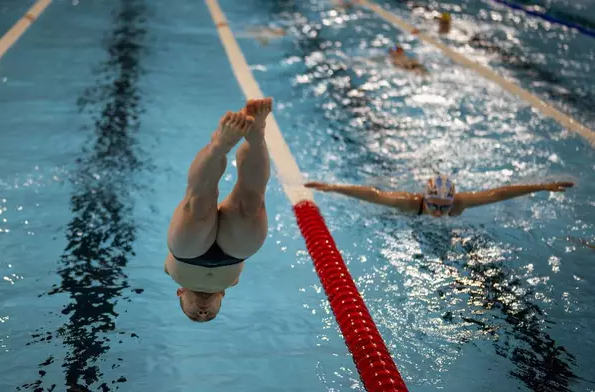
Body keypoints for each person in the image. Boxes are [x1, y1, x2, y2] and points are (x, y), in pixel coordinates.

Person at [164, 98, 272, 322]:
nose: (202, 311)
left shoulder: (173, 274)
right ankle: (256, 135)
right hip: (233, 254)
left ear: (180, 292)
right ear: (222, 294)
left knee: (198, 204)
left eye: (194, 314)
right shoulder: (231, 281)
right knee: (251, 203)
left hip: (186, 254)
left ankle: (219, 145)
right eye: (210, 313)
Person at [305, 175, 574, 217]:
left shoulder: (460, 204)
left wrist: (541, 186)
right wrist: (332, 187)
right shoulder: (408, 203)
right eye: (434, 205)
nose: (439, 213)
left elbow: (499, 194)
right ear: (424, 198)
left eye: (444, 208)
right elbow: (373, 195)